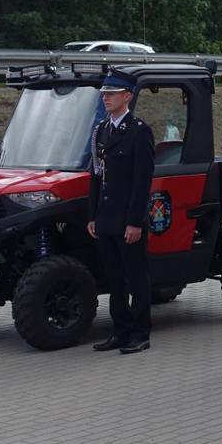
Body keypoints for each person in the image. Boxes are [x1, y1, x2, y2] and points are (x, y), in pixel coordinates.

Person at [86, 72, 156, 353]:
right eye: (104, 93)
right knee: (114, 279)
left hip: (128, 219)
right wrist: (92, 215)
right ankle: (121, 330)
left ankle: (140, 333)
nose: (106, 98)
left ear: (127, 96)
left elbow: (142, 182)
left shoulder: (139, 131)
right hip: (106, 218)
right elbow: (95, 175)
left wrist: (135, 222)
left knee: (135, 278)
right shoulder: (101, 130)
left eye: (112, 93)